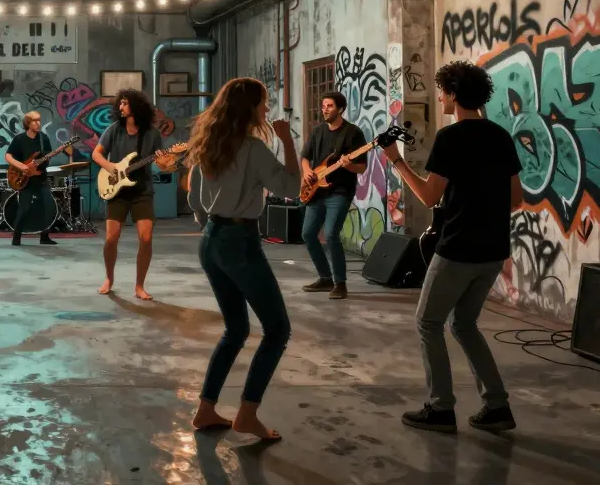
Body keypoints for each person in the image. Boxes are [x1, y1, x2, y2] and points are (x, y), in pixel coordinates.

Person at [383, 61, 520, 434]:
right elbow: (516, 198)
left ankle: (440, 407)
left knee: (428, 322)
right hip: (493, 249)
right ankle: (497, 406)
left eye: (442, 90)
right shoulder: (500, 136)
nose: (440, 96)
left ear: (454, 94)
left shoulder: (451, 138)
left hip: (458, 248)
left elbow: (428, 196)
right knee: (464, 324)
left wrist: (396, 161)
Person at [186, 77, 299, 442]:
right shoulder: (252, 148)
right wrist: (288, 141)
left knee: (235, 330)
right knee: (277, 330)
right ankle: (247, 414)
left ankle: (205, 410)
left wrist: (214, 229)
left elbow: (196, 201)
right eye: (264, 103)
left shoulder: (209, 143)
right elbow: (291, 189)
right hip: (240, 242)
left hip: (211, 241)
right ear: (250, 107)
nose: (267, 110)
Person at [92, 89, 177, 300]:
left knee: (146, 237)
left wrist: (163, 160)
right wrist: (110, 166)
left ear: (136, 107)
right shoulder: (114, 129)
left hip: (142, 190)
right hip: (117, 190)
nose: (120, 107)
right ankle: (109, 278)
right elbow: (96, 153)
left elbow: (161, 165)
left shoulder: (152, 133)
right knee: (112, 238)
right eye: (119, 104)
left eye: (124, 103)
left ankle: (139, 286)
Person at [298, 91, 368, 300]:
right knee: (308, 234)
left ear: (340, 109)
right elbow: (304, 157)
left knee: (330, 235)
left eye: (329, 106)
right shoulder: (319, 131)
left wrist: (349, 165)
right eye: (323, 106)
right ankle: (325, 277)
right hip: (317, 191)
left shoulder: (353, 133)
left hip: (339, 192)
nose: (324, 109)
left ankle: (340, 283)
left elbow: (361, 168)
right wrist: (307, 171)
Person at [4, 111, 58, 247]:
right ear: (28, 123)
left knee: (47, 206)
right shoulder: (19, 139)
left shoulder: (43, 138)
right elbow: (8, 156)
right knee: (24, 208)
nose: (38, 123)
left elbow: (47, 157)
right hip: (25, 179)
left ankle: (44, 236)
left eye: (39, 120)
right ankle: (16, 237)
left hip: (41, 177)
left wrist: (43, 161)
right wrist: (22, 166)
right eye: (34, 121)